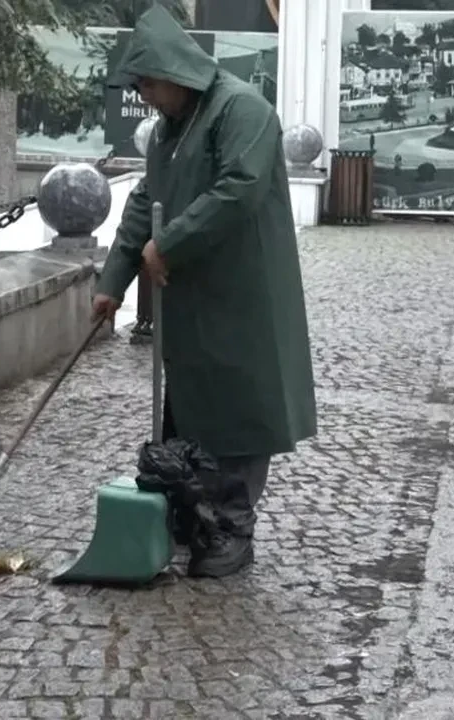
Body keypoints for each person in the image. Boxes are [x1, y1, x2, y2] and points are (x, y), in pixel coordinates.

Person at [92, 5, 317, 578]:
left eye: (147, 84)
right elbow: (146, 199)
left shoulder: (241, 109)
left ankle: (232, 527)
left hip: (244, 294)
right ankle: (194, 514)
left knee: (239, 412)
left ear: (173, 71)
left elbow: (238, 188)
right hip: (195, 300)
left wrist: (168, 246)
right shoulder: (169, 129)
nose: (144, 96)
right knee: (192, 407)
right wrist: (112, 280)